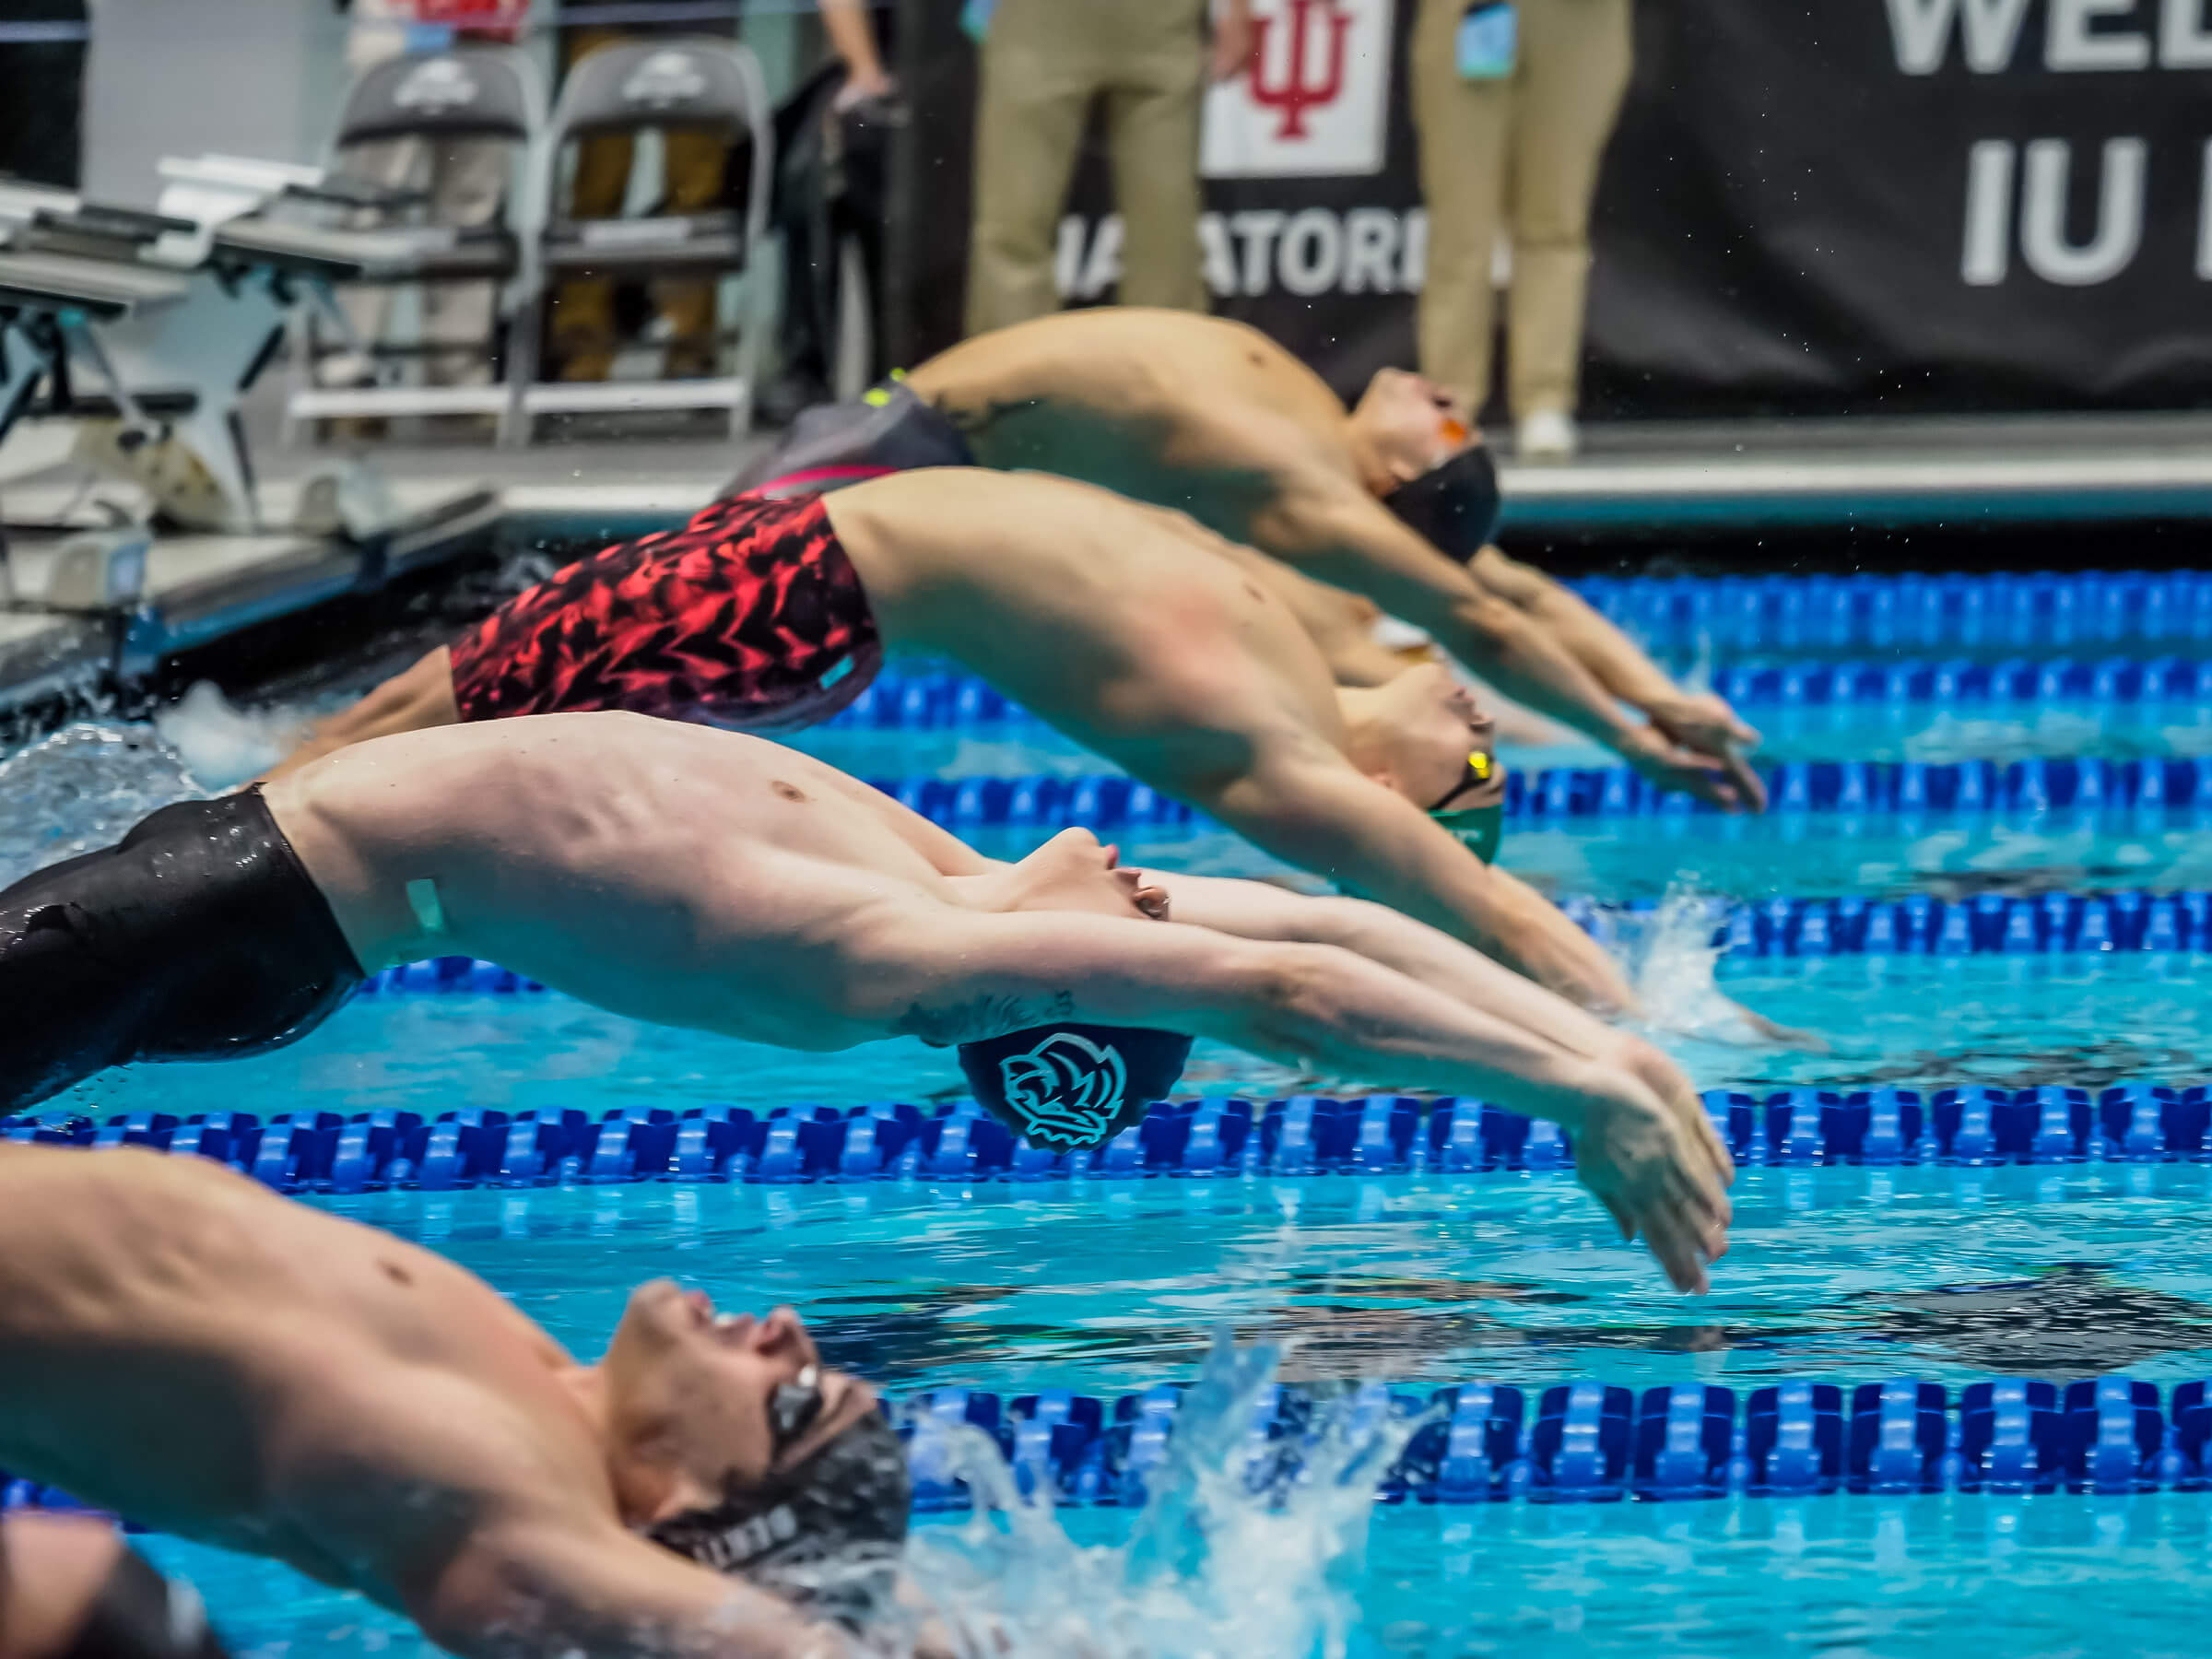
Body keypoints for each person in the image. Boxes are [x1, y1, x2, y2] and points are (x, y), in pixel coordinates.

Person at [3, 713, 1735, 1291]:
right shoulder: (959, 884)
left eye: (1131, 927)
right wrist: (1601, 1040)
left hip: (226, 919)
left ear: (1057, 994)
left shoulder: (890, 953)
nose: (1143, 883)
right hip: (238, 880)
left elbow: (1277, 992)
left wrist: (1573, 1109)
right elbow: (1309, 926)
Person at [262, 470, 1791, 1027]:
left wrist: (1642, 1024)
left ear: (1381, 800)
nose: (1480, 743)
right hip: (808, 548)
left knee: (395, 737)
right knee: (400, 725)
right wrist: (1637, 724)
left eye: (1476, 777)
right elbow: (1485, 610)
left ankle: (210, 842)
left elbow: (1475, 907)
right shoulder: (1328, 646)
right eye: (1493, 758)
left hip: (798, 589)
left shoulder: (1265, 745)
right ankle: (223, 825)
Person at [725, 308, 1766, 811]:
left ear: (1397, 484)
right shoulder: (1316, 431)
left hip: (879, 469)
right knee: (634, 642)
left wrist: (1630, 749)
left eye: (1454, 432)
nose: (1450, 402)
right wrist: (1658, 696)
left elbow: (1480, 615)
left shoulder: (1301, 486)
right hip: (892, 449)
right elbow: (1514, 585)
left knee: (643, 654)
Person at [0, 1141, 908, 1659]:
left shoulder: (480, 1477)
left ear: (687, 1505)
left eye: (794, 1401)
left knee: (72, 1592)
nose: (791, 1329)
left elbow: (764, 1645)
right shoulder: (541, 1394)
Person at [1409, 0, 1634, 462]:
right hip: (1470, 13)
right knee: (1460, 223)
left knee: (1554, 218)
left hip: (1579, 21)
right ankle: (1450, 407)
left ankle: (1544, 398)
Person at [964, 0, 1252, 335]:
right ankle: (1013, 378)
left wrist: (1238, 11)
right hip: (1073, 21)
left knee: (1164, 233)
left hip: (1136, 23)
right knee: (1017, 228)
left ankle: (1164, 371)